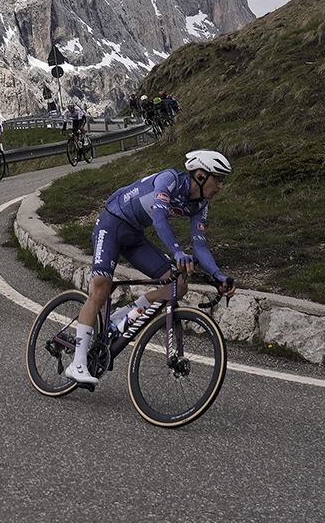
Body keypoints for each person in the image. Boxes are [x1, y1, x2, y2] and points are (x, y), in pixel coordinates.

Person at [63, 150, 237, 385]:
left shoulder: (200, 205)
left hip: (134, 234)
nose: (221, 186)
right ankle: (78, 363)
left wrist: (218, 275)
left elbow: (200, 243)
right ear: (200, 175)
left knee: (178, 285)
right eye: (218, 179)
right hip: (111, 224)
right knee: (101, 288)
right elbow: (159, 219)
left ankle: (121, 317)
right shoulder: (169, 180)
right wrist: (176, 252)